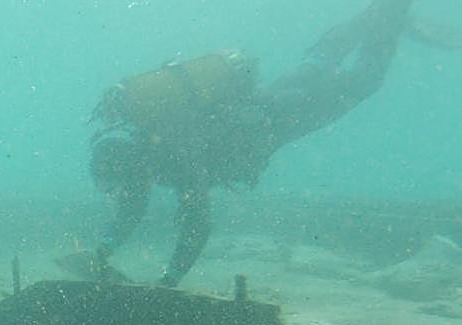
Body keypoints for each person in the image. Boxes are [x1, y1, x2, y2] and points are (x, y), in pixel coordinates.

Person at [86, 0, 448, 287]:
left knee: (362, 81)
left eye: (120, 184)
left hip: (277, 120)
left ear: (127, 165)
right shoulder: (145, 152)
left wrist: (170, 279)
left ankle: (387, 16)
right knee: (316, 64)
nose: (124, 191)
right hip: (265, 105)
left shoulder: (176, 151)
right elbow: (131, 210)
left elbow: (198, 222)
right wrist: (103, 249)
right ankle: (378, 16)